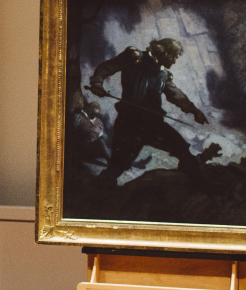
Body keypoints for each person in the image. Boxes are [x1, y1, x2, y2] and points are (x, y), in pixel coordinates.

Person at [88, 37, 207, 186]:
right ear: (164, 52)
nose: (175, 61)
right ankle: (100, 198)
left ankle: (198, 186)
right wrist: (97, 82)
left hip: (153, 125)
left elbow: (175, 94)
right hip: (129, 124)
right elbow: (108, 67)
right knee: (118, 166)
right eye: (173, 56)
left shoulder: (164, 74)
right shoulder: (135, 57)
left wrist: (194, 110)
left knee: (182, 149)